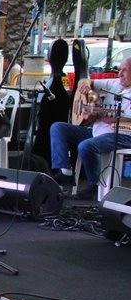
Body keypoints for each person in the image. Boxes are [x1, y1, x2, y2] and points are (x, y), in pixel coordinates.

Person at [50, 57, 131, 200]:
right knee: (58, 128)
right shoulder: (115, 84)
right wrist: (85, 86)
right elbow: (86, 80)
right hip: (97, 131)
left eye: (125, 70)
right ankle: (65, 171)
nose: (120, 74)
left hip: (122, 134)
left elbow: (124, 119)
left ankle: (94, 185)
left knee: (86, 146)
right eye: (120, 69)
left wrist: (96, 114)